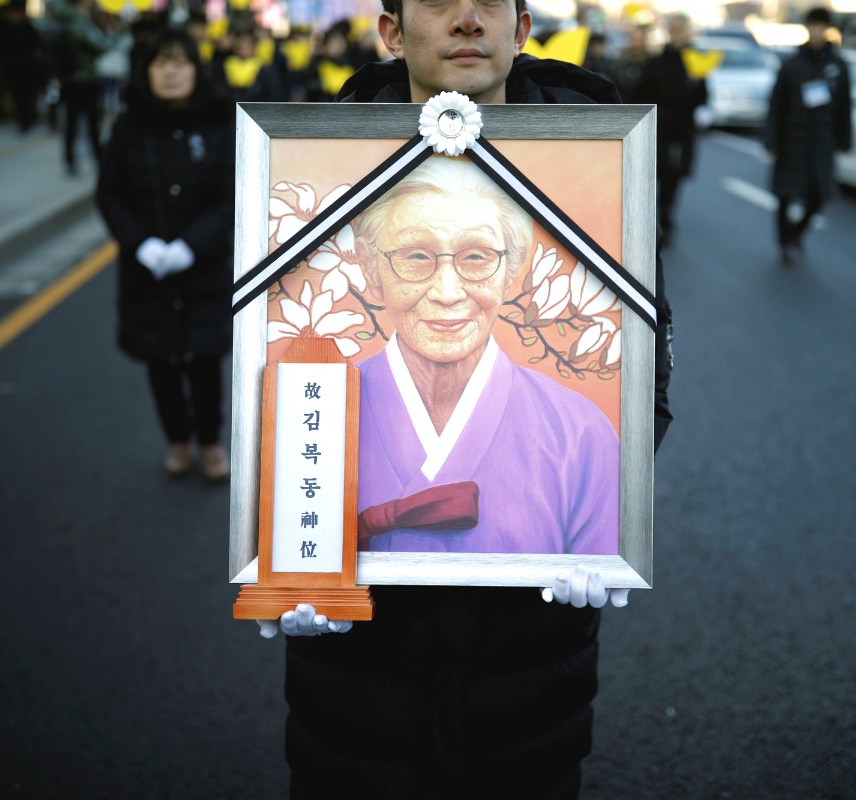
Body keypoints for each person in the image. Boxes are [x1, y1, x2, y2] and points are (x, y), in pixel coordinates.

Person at [262, 1, 675, 797]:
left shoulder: (600, 161)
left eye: (489, 2)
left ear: (521, 30)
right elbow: (266, 362)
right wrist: (282, 547)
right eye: (414, 256)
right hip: (356, 649)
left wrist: (608, 516)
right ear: (391, 31)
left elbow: (644, 363)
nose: (465, 20)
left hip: (530, 639)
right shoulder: (317, 161)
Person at [352, 156, 620, 555]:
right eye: (416, 256)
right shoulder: (319, 410)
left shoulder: (578, 432)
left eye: (476, 257)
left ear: (512, 271)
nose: (447, 292)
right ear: (370, 268)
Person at [95, 27, 234, 481]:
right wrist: (142, 244)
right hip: (146, 272)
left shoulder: (220, 124)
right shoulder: (127, 127)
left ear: (196, 69)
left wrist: (192, 245)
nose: (171, 72)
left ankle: (210, 442)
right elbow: (109, 195)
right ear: (146, 71)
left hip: (205, 269)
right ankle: (176, 439)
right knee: (160, 360)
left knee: (204, 360)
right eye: (161, 63)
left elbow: (230, 196)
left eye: (180, 62)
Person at [764, 6, 851, 266]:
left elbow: (845, 107)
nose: (816, 31)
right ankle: (784, 243)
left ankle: (797, 233)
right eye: (812, 25)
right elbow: (776, 105)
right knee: (785, 194)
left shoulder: (837, 66)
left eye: (821, 26)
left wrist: (845, 139)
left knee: (820, 194)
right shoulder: (791, 65)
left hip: (822, 142)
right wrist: (772, 139)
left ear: (827, 29)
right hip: (792, 141)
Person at [633, 13, 709, 249]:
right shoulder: (655, 63)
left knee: (672, 180)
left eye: (681, 30)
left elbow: (703, 95)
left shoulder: (696, 62)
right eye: (674, 30)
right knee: (648, 179)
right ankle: (649, 222)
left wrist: (702, 109)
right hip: (656, 131)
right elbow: (640, 95)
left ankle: (665, 220)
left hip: (681, 134)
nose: (677, 35)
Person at [50, 0, 112, 174]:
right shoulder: (78, 21)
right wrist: (111, 39)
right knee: (91, 122)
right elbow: (99, 45)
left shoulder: (60, 19)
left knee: (71, 122)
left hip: (67, 79)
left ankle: (70, 159)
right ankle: (97, 157)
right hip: (85, 79)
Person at [0, 1, 43, 133]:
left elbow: (35, 45)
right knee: (19, 96)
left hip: (27, 69)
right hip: (13, 69)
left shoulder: (26, 28)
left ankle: (29, 118)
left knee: (28, 95)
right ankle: (24, 120)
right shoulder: (3, 28)